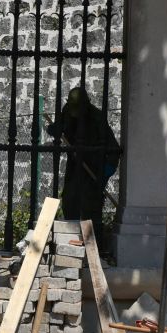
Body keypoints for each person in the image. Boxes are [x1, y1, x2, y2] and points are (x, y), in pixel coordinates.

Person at [46, 86, 120, 235]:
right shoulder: (68, 110)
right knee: (69, 199)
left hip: (94, 167)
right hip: (75, 164)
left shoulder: (97, 118)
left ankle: (93, 244)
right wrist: (53, 129)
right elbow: (60, 127)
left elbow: (114, 149)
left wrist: (105, 172)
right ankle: (71, 237)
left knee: (90, 206)